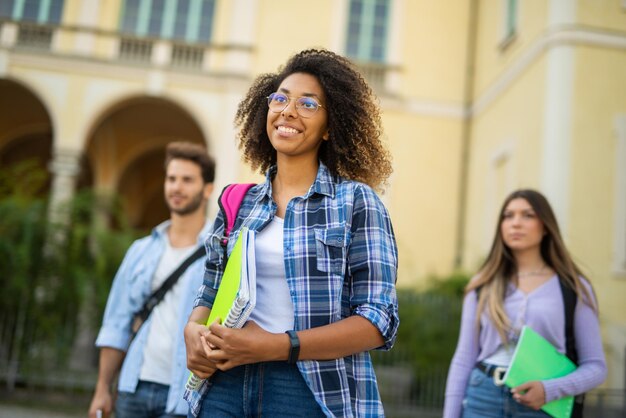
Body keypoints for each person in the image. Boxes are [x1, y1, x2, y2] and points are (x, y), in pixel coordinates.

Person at [183, 49, 399, 417]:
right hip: (225, 383)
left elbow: (379, 319)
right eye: (280, 98)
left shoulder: (357, 203)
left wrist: (278, 346)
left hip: (308, 388)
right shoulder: (239, 202)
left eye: (308, 104)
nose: (288, 111)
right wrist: (193, 330)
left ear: (331, 127)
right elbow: (211, 289)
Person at [443, 189, 607, 418]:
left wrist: (549, 390)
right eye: (508, 216)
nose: (516, 223)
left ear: (546, 226)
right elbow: (463, 359)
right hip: (483, 396)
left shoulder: (574, 287)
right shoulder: (482, 285)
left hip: (543, 404)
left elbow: (596, 368)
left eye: (528, 215)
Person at [88, 141, 216, 418]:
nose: (177, 187)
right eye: (171, 179)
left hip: (187, 393)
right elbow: (117, 322)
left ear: (207, 189)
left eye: (187, 180)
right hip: (133, 388)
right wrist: (102, 388)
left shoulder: (218, 253)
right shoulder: (141, 250)